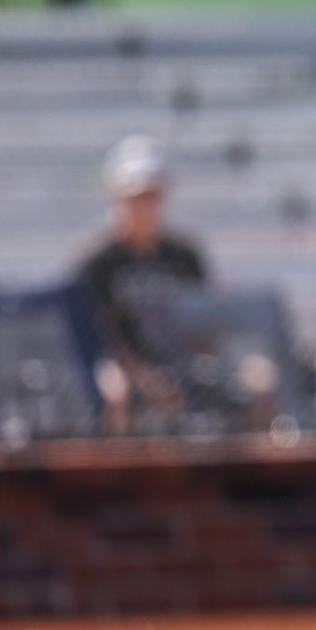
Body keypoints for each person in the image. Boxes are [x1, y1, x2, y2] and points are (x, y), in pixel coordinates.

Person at [76, 137, 210, 435]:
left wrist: (191, 364)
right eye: (136, 197)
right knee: (116, 390)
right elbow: (98, 332)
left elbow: (208, 319)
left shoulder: (185, 256)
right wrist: (143, 375)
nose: (144, 206)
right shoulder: (98, 261)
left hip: (181, 360)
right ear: (117, 197)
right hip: (123, 364)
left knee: (257, 380)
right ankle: (118, 472)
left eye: (152, 196)